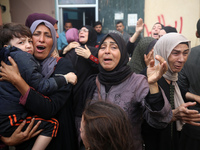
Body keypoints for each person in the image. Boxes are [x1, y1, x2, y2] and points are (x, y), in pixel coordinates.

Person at [77, 31, 173, 150]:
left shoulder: (138, 82)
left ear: (123, 53)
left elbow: (160, 120)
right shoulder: (90, 83)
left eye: (113, 47)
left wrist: (153, 85)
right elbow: (79, 120)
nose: (107, 51)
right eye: (103, 47)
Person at [0, 20, 79, 150]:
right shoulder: (13, 64)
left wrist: (17, 81)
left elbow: (49, 108)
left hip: (57, 142)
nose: (41, 39)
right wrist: (6, 139)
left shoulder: (63, 65)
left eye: (48, 35)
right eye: (36, 34)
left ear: (53, 40)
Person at [141, 33, 199, 150]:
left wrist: (195, 97)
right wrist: (173, 115)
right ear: (163, 52)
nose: (182, 59)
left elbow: (176, 89)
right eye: (175, 53)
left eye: (185, 53)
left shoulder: (172, 76)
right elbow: (147, 119)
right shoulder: (147, 78)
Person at [62, 25, 99, 116]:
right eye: (80, 30)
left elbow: (103, 67)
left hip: (89, 93)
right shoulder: (72, 49)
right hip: (72, 93)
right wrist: (64, 50)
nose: (81, 32)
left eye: (85, 30)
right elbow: (61, 65)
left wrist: (90, 57)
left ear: (91, 34)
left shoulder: (96, 51)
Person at [178, 18, 200, 150]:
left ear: (197, 34)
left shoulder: (187, 56)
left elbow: (180, 89)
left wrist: (195, 96)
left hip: (193, 120)